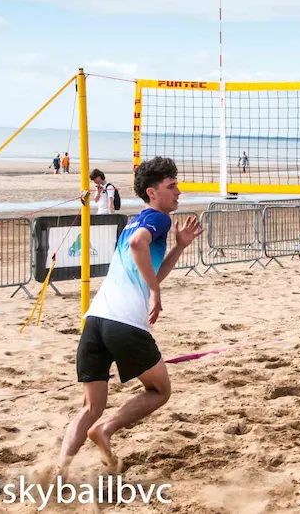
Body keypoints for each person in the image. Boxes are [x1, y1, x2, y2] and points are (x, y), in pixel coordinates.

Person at [50, 156, 203, 479]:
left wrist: (179, 247)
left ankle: (58, 469)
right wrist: (154, 294)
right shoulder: (158, 219)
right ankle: (106, 430)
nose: (179, 192)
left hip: (95, 320)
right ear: (152, 192)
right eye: (171, 186)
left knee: (90, 406)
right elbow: (139, 248)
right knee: (160, 391)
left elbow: (148, 268)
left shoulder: (135, 221)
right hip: (125, 323)